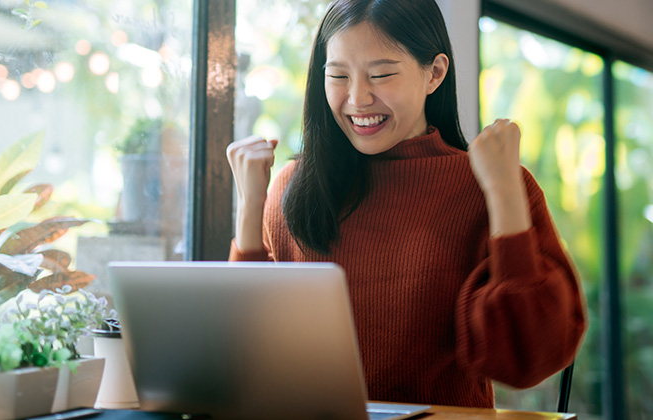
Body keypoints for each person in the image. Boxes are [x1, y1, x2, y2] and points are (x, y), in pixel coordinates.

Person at [225, 0, 586, 409]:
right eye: (338, 75)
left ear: (434, 74)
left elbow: (529, 360)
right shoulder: (296, 186)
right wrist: (249, 209)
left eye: (381, 74)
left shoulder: (489, 185)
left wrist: (503, 193)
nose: (357, 99)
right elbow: (248, 356)